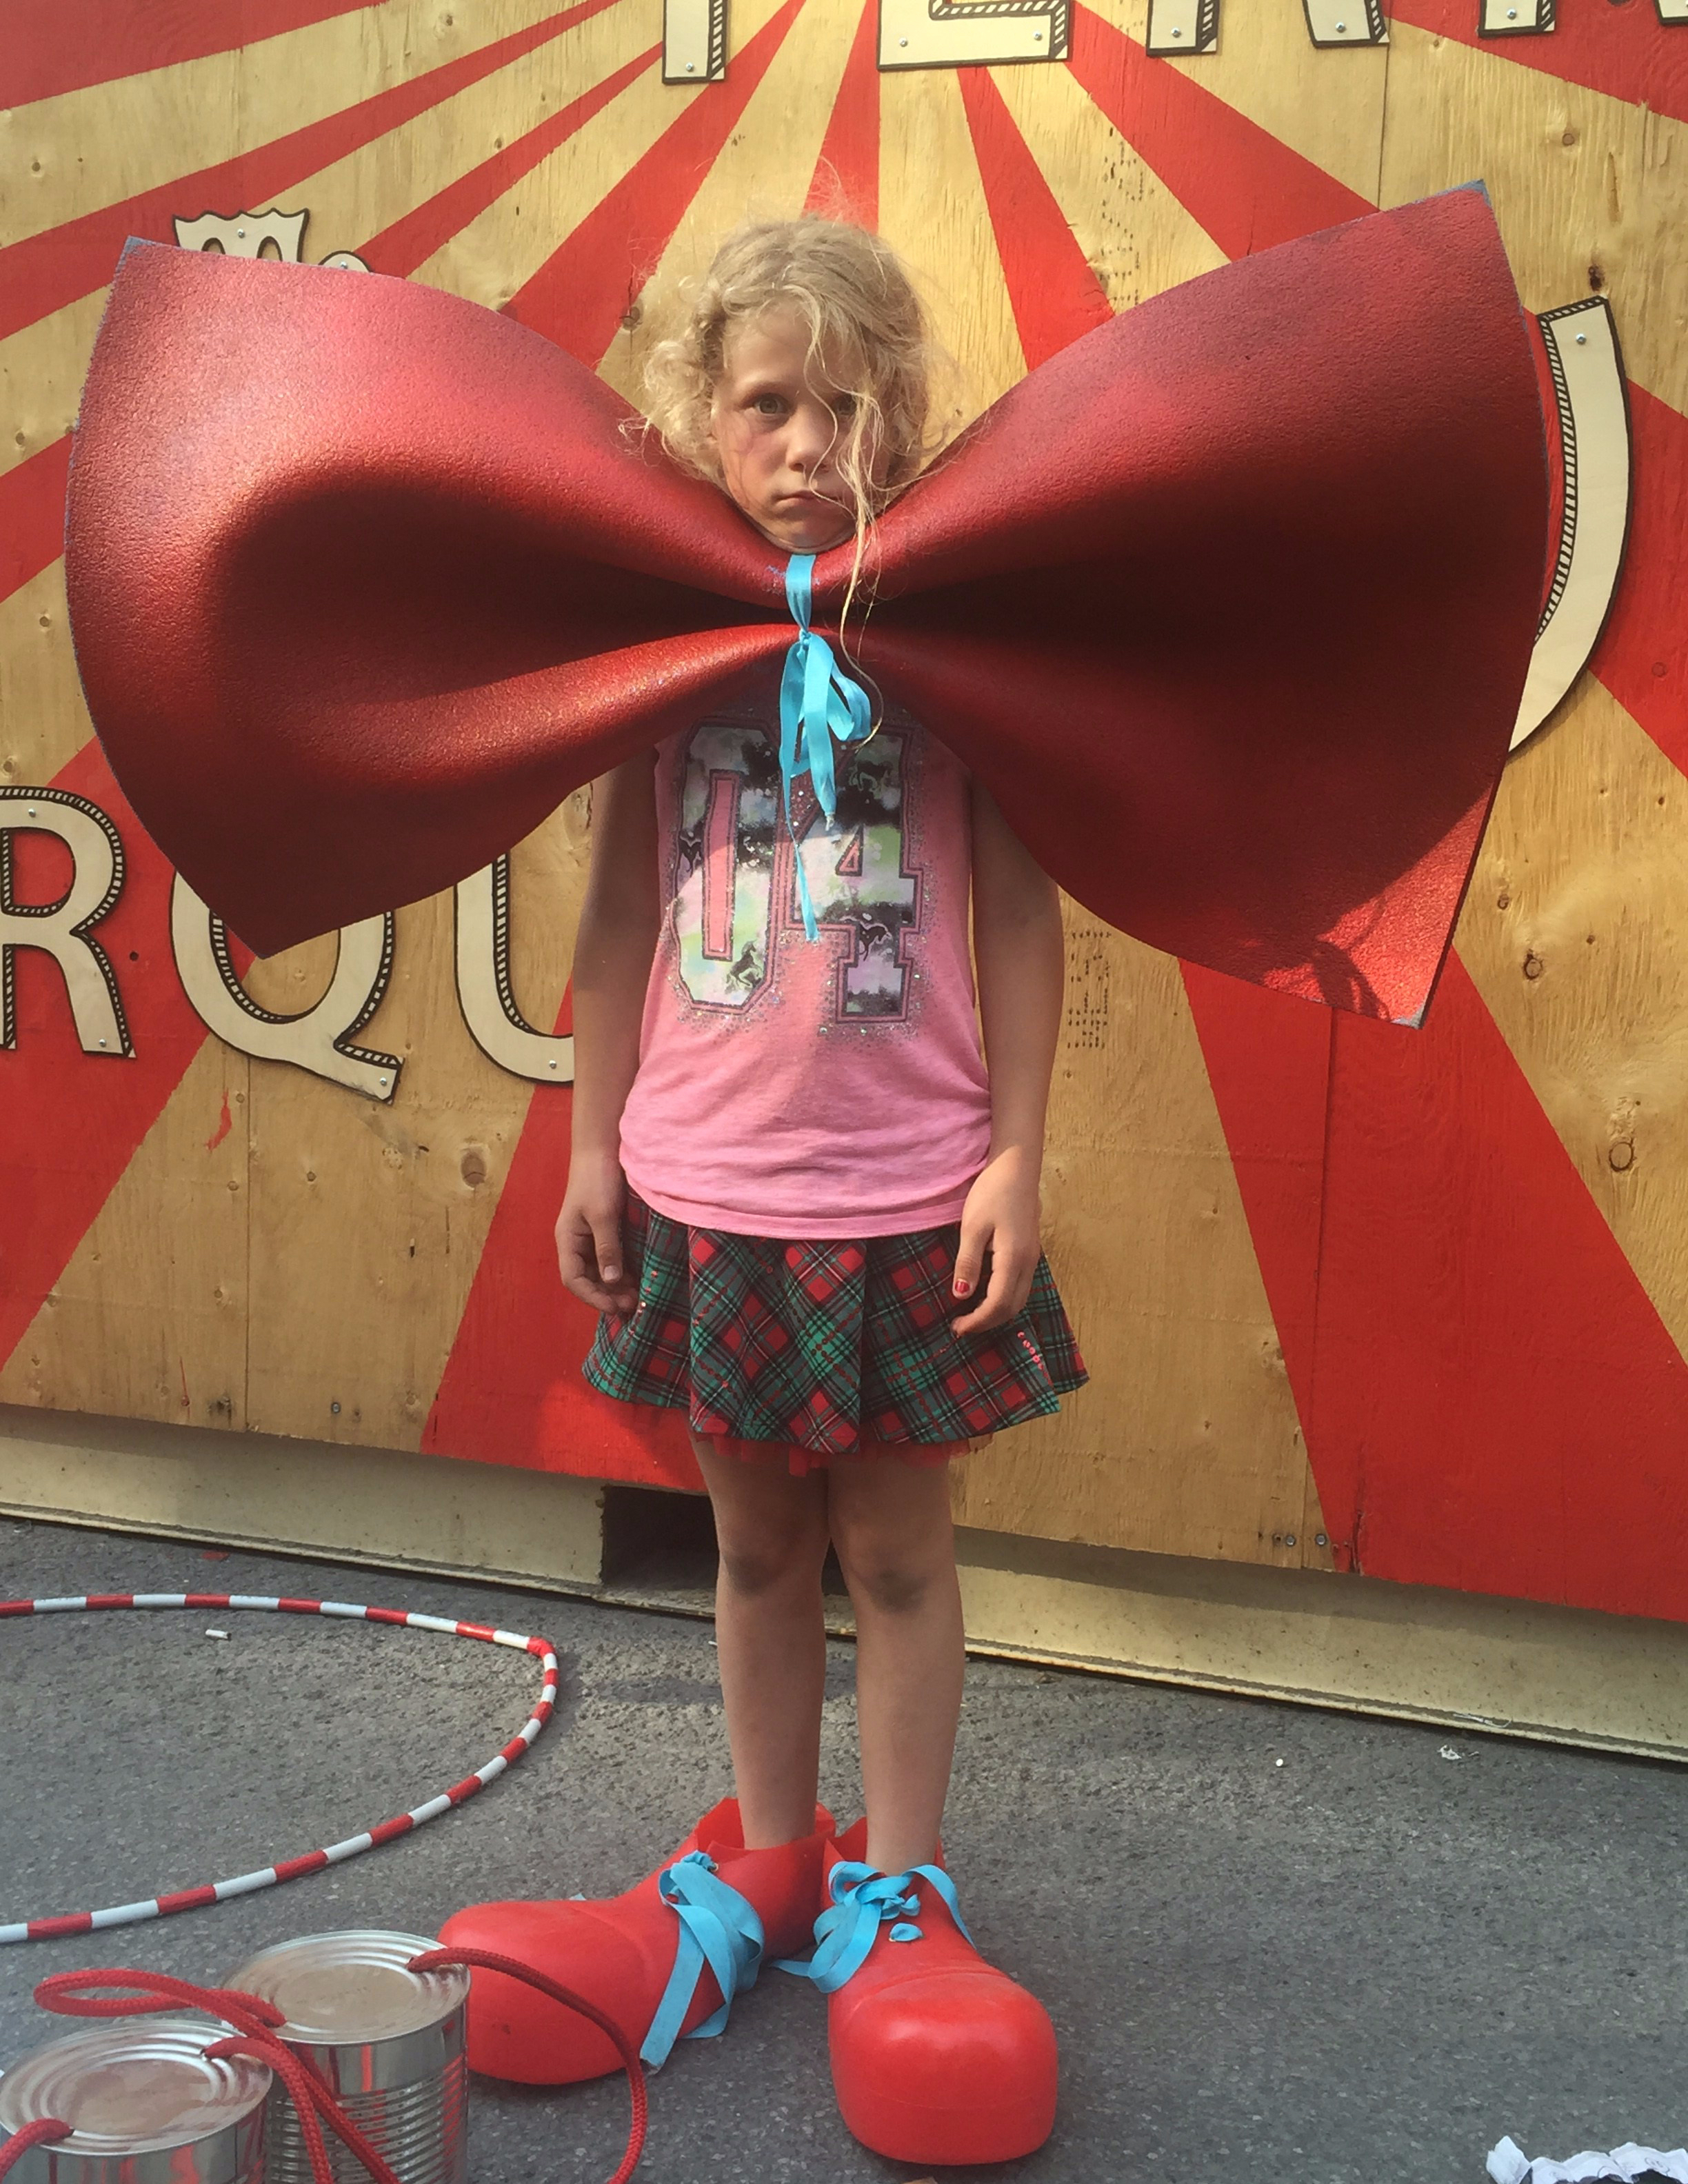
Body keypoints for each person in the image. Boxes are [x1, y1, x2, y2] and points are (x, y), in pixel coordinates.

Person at [442, 215, 1087, 2168]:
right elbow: (627, 907)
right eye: (768, 404)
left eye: (850, 405)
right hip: (710, 1180)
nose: (809, 444)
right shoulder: (670, 652)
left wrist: (1018, 1156)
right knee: (746, 1552)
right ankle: (780, 1866)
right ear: (703, 420)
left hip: (904, 1186)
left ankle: (903, 1889)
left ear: (904, 419)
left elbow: (1024, 908)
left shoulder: (952, 640)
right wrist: (589, 1141)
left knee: (894, 1552)